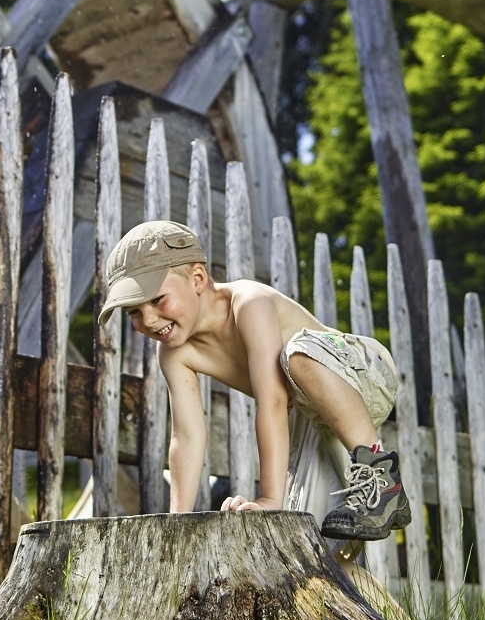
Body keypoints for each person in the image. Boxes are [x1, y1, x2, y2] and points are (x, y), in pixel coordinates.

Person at [99, 220, 409, 540]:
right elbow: (187, 436)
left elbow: (272, 400)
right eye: (133, 312)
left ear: (197, 279)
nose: (148, 319)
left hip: (363, 375)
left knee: (297, 356)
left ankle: (381, 477)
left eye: (157, 299)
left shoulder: (248, 303)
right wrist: (176, 523)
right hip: (313, 416)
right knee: (315, 545)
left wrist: (269, 499)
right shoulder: (173, 354)